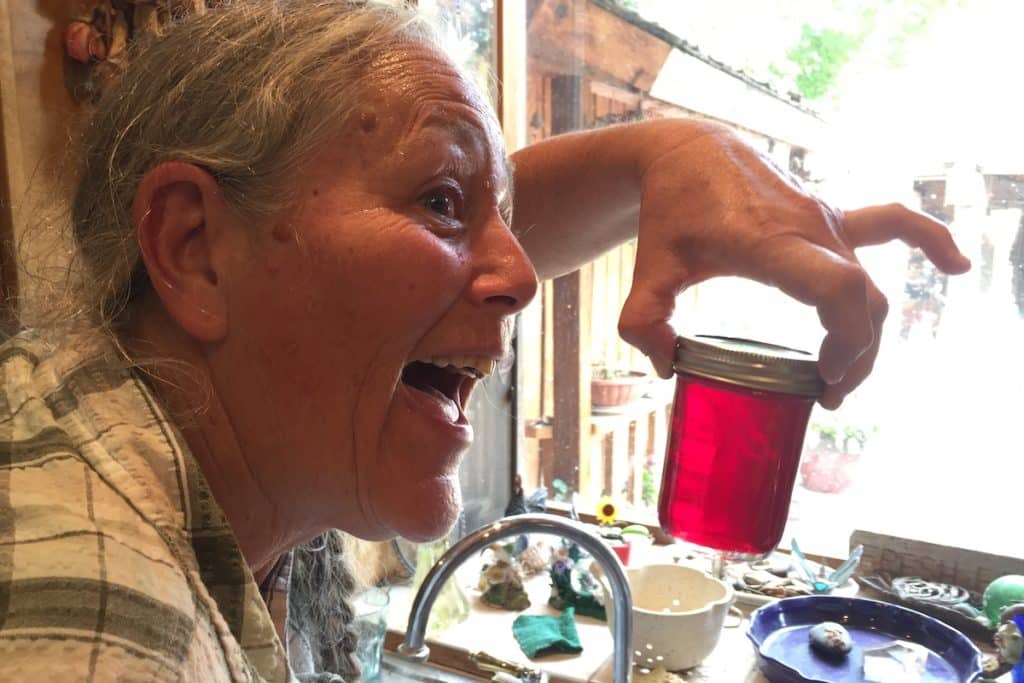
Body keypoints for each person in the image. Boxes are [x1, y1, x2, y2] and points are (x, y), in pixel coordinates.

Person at [0, 1, 970, 681]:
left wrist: (662, 154)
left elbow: (383, 271)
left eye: (502, 217)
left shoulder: (198, 436)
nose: (518, 277)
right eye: (441, 198)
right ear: (192, 246)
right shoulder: (106, 629)